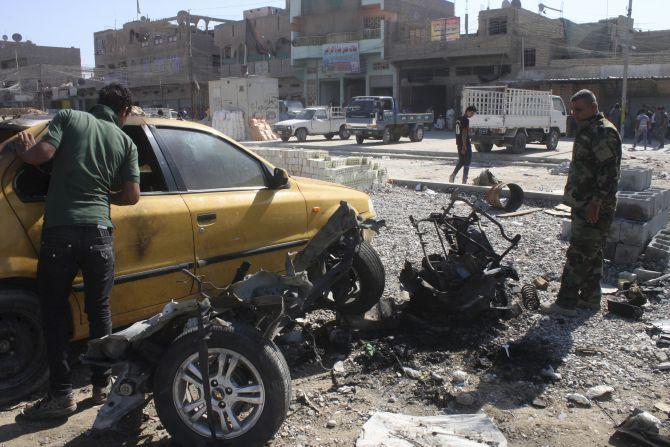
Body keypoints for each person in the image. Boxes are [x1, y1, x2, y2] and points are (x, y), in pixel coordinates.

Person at [15, 83, 140, 420]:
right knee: (99, 312)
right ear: (124, 112)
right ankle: (101, 387)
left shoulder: (70, 117)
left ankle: (62, 396)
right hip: (100, 235)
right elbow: (131, 197)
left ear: (98, 103)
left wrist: (25, 152)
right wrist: (101, 195)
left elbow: (42, 155)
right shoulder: (126, 142)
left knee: (55, 314)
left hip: (61, 235)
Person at [541, 89, 622, 316]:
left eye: (579, 110)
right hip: (585, 203)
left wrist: (596, 202)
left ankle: (565, 304)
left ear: (593, 107)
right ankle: (589, 299)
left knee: (578, 253)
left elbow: (609, 172)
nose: (574, 114)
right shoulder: (590, 129)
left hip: (593, 206)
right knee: (592, 252)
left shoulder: (602, 132)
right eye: (573, 109)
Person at [449, 106, 477, 184]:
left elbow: (459, 131)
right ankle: (464, 181)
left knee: (461, 161)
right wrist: (464, 146)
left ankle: (453, 175)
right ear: (467, 111)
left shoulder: (458, 119)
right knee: (467, 162)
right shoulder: (465, 120)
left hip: (458, 143)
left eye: (473, 114)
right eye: (471, 113)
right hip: (465, 144)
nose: (472, 115)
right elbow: (464, 133)